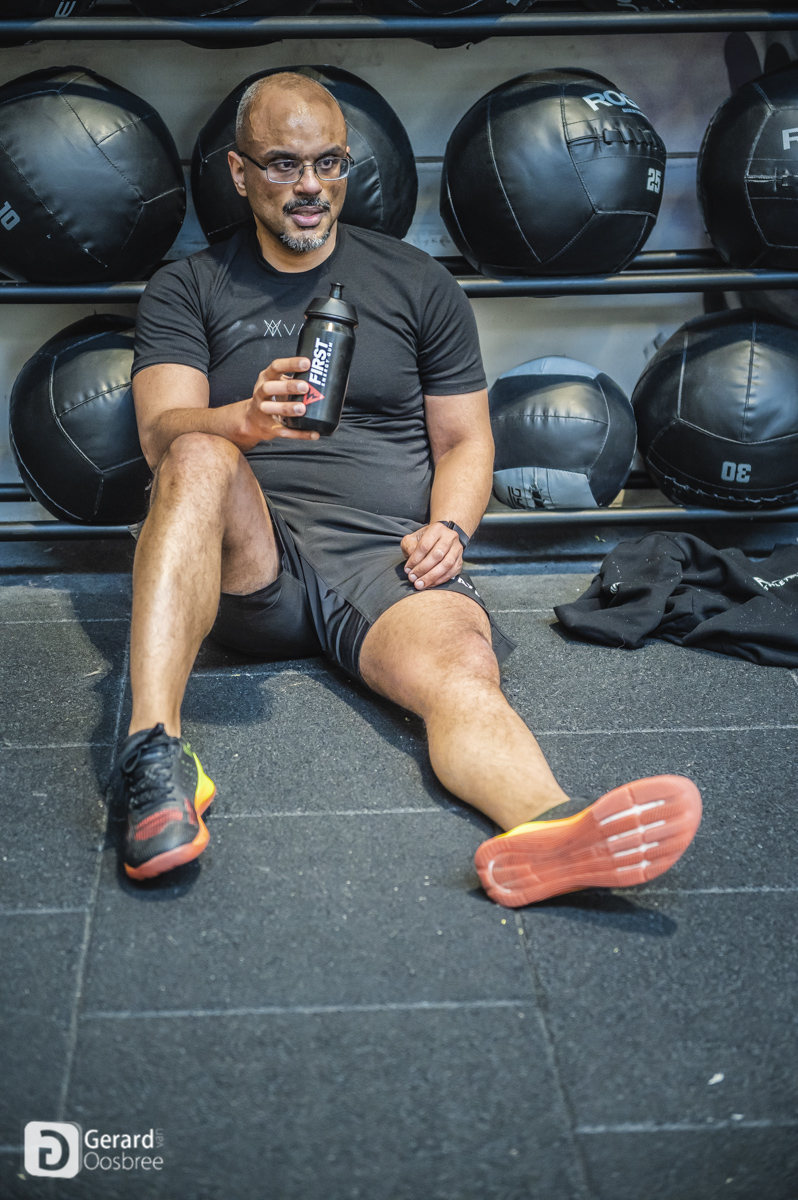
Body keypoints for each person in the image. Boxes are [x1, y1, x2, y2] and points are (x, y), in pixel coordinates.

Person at [115, 71, 701, 906]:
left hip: (383, 556)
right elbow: (159, 435)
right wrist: (240, 420)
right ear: (240, 172)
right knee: (199, 455)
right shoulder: (190, 286)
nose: (311, 185)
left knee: (463, 669)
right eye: (283, 164)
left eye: (329, 162)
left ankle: (549, 828)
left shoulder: (417, 282)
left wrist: (451, 529)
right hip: (252, 558)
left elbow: (466, 441)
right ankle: (151, 756)